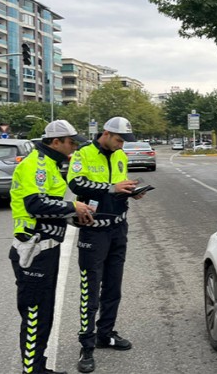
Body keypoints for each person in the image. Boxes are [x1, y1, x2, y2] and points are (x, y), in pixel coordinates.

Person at [9, 120, 94, 374]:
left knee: (44, 312)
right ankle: (32, 370)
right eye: (70, 142)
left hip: (47, 248)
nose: (73, 147)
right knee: (35, 314)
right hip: (34, 250)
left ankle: (39, 366)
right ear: (55, 142)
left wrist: (77, 214)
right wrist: (72, 208)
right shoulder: (37, 165)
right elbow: (36, 205)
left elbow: (54, 204)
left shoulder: (53, 166)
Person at [67, 116, 144, 373]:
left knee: (113, 286)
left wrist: (132, 190)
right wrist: (112, 188)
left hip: (118, 227)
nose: (122, 145)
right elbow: (77, 183)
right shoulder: (83, 154)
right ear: (107, 133)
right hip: (94, 231)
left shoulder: (120, 155)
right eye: (119, 140)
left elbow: (119, 185)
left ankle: (105, 333)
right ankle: (86, 346)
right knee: (91, 290)